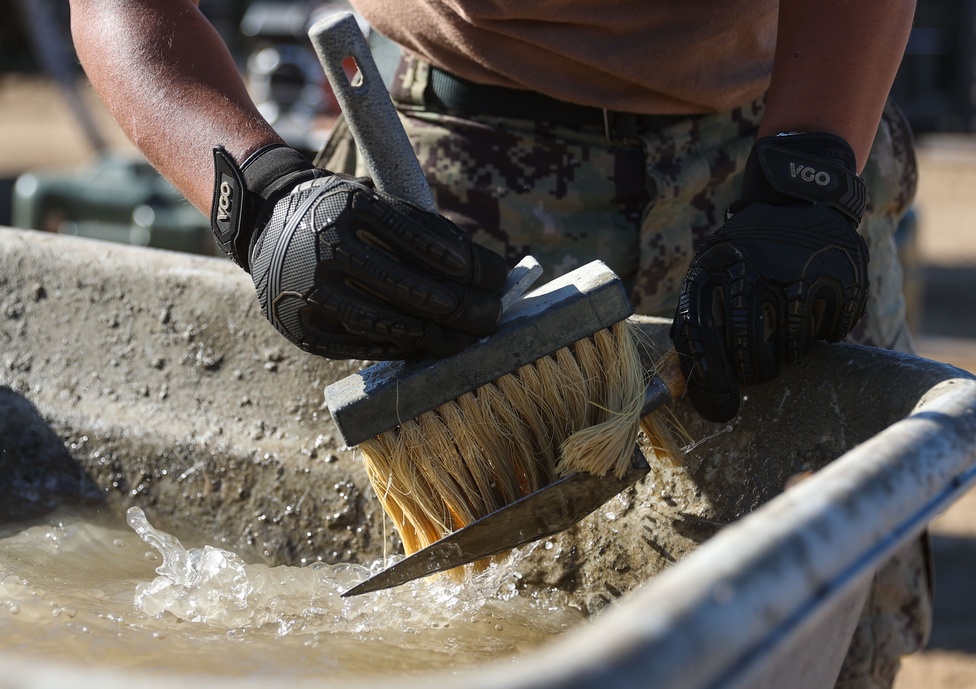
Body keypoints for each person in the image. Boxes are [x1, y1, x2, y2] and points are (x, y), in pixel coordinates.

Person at [69, 1, 928, 686]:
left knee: (820, 621)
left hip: (781, 144)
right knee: (453, 633)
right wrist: (261, 196)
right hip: (441, 201)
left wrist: (805, 180)